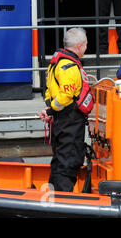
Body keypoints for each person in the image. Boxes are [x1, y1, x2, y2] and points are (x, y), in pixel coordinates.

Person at [39, 28, 92, 192]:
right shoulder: (69, 66)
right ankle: (63, 201)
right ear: (80, 45)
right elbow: (66, 95)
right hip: (69, 121)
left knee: (59, 161)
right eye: (86, 45)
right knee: (69, 162)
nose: (86, 48)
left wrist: (49, 107)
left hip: (62, 121)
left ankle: (54, 197)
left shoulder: (56, 63)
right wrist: (50, 111)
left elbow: (48, 89)